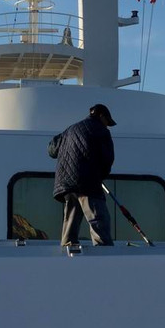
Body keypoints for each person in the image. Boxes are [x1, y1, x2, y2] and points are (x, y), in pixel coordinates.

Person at [48, 104, 116, 246]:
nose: (107, 126)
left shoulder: (70, 129)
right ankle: (103, 250)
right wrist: (100, 176)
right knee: (98, 217)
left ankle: (67, 245)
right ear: (101, 116)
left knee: (71, 216)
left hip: (66, 182)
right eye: (107, 122)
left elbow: (51, 150)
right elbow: (107, 159)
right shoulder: (101, 131)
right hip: (87, 181)